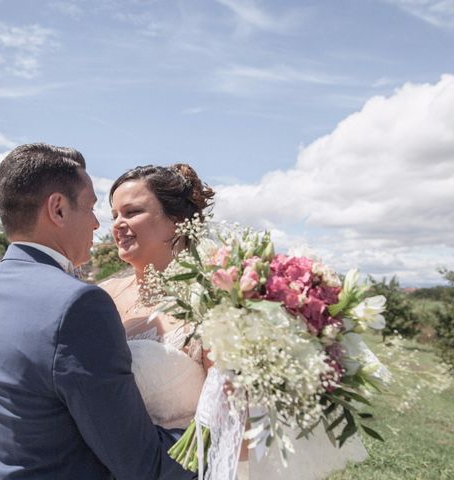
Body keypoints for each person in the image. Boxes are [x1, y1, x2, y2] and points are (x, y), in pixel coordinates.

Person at [102, 164, 368, 480]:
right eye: (114, 214)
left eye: (131, 212)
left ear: (177, 221)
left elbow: (239, 428)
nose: (118, 224)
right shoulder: (100, 295)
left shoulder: (216, 302)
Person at [0, 144, 197, 480]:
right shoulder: (79, 306)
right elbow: (141, 463)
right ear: (58, 209)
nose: (98, 224)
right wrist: (217, 439)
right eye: (92, 208)